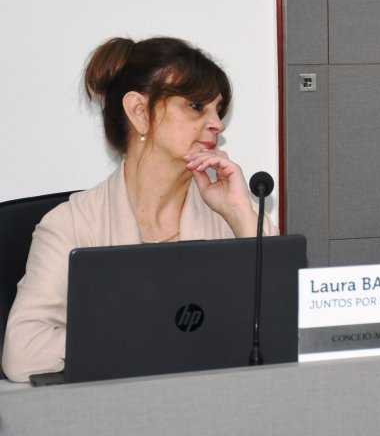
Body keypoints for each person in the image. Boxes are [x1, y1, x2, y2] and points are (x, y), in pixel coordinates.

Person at [2, 36, 276, 382]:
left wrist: (239, 212)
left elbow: (282, 324)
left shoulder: (232, 213)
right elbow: (22, 352)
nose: (217, 124)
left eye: (218, 110)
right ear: (139, 112)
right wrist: (147, 337)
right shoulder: (71, 225)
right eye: (196, 106)